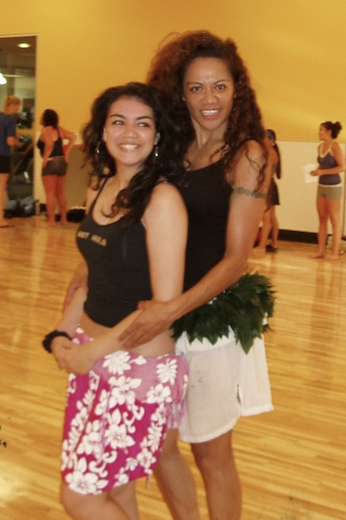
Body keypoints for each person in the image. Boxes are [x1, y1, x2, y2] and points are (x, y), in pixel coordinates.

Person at [43, 83, 194, 520]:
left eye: (143, 123)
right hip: (94, 355)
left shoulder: (162, 200)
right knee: (117, 491)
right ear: (102, 133)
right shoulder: (100, 187)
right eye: (119, 121)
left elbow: (161, 306)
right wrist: (62, 332)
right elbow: (91, 275)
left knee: (80, 497)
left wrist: (92, 352)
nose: (131, 132)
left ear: (158, 135)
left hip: (138, 369)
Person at [310, 121, 345, 260]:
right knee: (322, 219)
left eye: (321, 130)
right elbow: (322, 165)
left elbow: (342, 167)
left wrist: (322, 172)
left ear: (329, 132)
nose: (319, 132)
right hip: (322, 186)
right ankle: (321, 251)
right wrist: (316, 171)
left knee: (335, 220)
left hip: (333, 187)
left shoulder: (335, 147)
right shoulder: (320, 147)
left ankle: (335, 253)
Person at [37, 109, 76, 226]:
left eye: (42, 115)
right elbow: (73, 137)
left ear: (46, 118)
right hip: (62, 161)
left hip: (51, 162)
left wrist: (45, 158)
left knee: (50, 193)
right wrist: (67, 153)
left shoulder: (45, 130)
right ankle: (64, 220)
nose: (40, 117)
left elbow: (49, 144)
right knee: (60, 193)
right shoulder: (59, 129)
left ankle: (51, 220)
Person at [255, 129, 282, 253]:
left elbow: (266, 173)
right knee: (271, 217)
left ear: (271, 140)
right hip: (270, 185)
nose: (262, 139)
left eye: (265, 137)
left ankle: (261, 246)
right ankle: (274, 243)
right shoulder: (270, 152)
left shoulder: (270, 153)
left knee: (266, 218)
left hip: (268, 186)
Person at [0, 95, 21, 228]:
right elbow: (10, 141)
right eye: (17, 106)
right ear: (12, 106)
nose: (18, 109)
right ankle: (0, 219)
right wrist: (16, 138)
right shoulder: (10, 121)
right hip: (3, 156)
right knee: (1, 188)